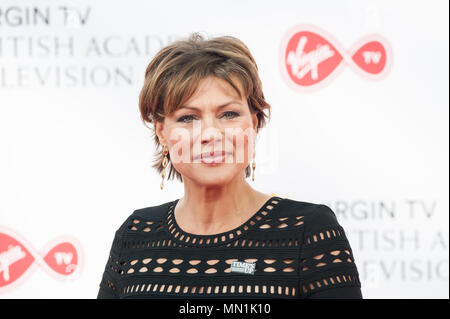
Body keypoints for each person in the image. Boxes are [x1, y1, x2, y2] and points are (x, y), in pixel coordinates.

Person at [96, 32, 362, 299]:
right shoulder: (135, 233)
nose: (210, 134)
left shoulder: (308, 232)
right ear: (163, 132)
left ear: (254, 123)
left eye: (229, 114)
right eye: (188, 118)